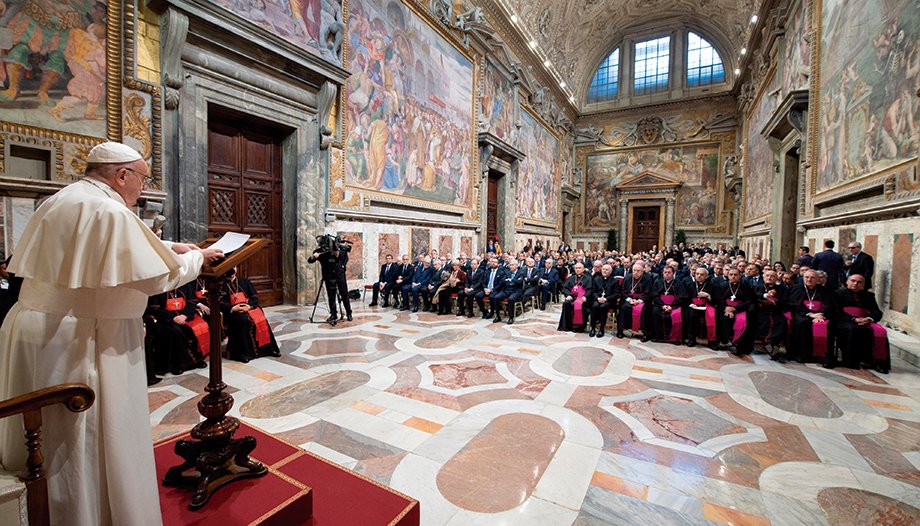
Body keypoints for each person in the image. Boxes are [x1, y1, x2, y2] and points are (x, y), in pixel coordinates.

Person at [0, 142, 223, 525]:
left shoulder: (64, 200)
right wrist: (196, 258)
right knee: (80, 440)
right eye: (142, 178)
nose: (142, 187)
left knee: (44, 435)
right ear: (122, 175)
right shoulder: (108, 209)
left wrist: (168, 245)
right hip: (82, 338)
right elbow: (157, 275)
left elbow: (100, 246)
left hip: (38, 328)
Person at [219, 267, 281, 362]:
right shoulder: (220, 285)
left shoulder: (245, 282)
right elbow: (218, 303)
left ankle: (268, 349)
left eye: (234, 267)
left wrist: (249, 306)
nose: (232, 269)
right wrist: (232, 308)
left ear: (237, 269)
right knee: (243, 320)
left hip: (248, 308)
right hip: (232, 311)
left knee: (260, 318)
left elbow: (254, 297)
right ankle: (242, 353)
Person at [147, 281, 210, 375]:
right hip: (166, 319)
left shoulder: (184, 284)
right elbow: (155, 307)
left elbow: (192, 301)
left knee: (200, 326)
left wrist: (184, 315)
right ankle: (178, 364)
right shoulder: (158, 286)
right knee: (175, 332)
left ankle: (196, 360)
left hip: (185, 316)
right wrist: (173, 318)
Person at [835, 274, 889, 373]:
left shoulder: (869, 296)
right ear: (847, 282)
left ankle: (878, 362)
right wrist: (853, 319)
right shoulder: (837, 294)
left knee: (880, 332)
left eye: (859, 282)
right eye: (853, 280)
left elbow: (877, 312)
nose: (855, 283)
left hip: (865, 320)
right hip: (846, 320)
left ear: (863, 285)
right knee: (852, 329)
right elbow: (835, 311)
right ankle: (851, 361)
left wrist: (869, 319)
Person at [788, 269, 835, 365]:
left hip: (820, 315)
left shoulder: (825, 290)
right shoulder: (796, 288)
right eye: (807, 277)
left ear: (818, 280)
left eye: (812, 277)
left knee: (827, 325)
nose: (809, 279)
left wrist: (821, 314)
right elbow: (794, 304)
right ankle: (802, 354)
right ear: (803, 278)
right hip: (801, 313)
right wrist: (809, 314)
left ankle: (824, 355)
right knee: (803, 322)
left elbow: (829, 304)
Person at [308, 235, 353, 323]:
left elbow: (345, 256)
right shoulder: (320, 251)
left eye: (319, 241)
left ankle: (349, 313)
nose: (318, 243)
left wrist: (339, 256)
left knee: (344, 294)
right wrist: (314, 256)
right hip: (328, 276)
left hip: (339, 275)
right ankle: (334, 314)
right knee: (331, 296)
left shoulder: (339, 248)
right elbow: (310, 260)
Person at [753, 269, 789, 361]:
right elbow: (755, 296)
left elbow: (785, 302)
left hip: (776, 311)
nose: (769, 278)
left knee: (781, 322)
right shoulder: (757, 286)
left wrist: (773, 303)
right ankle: (765, 345)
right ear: (763, 277)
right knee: (763, 321)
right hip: (761, 311)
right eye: (767, 276)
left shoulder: (782, 289)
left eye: (772, 276)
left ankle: (771, 344)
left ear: (776, 278)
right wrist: (766, 296)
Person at [684, 267, 722, 348]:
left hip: (707, 306)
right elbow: (686, 298)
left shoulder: (712, 286)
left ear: (706, 276)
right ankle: (692, 339)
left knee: (712, 316)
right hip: (694, 306)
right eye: (697, 274)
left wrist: (708, 295)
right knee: (691, 315)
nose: (699, 276)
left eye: (701, 274)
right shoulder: (690, 285)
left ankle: (712, 341)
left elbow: (718, 298)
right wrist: (691, 304)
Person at [721, 268, 755, 355]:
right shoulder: (722, 286)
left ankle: (737, 344)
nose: (733, 276)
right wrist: (726, 308)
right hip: (725, 309)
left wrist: (735, 308)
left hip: (740, 310)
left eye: (735, 275)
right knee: (725, 317)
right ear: (728, 276)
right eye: (731, 274)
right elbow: (718, 299)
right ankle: (726, 341)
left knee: (743, 321)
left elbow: (748, 301)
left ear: (740, 276)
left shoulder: (746, 287)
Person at [651, 265, 688, 344]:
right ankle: (658, 336)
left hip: (675, 306)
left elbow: (681, 297)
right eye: (665, 272)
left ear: (673, 273)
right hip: (660, 304)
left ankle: (675, 338)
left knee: (677, 314)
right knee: (655, 312)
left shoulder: (679, 283)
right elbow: (655, 295)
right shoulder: (658, 282)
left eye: (669, 272)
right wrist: (662, 305)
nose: (667, 274)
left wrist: (671, 306)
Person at [616, 262, 652, 340]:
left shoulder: (648, 279)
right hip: (629, 299)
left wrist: (639, 301)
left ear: (643, 271)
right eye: (634, 270)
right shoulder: (627, 277)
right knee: (624, 308)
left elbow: (648, 293)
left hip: (641, 301)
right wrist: (629, 300)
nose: (635, 273)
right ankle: (620, 330)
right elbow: (622, 291)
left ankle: (645, 333)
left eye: (638, 271)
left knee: (644, 310)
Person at [558, 262, 593, 332]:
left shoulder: (588, 278)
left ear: (583, 269)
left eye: (579, 268)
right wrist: (568, 295)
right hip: (572, 296)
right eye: (576, 268)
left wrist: (585, 297)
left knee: (578, 304)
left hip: (582, 297)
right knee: (566, 303)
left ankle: (577, 327)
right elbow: (565, 288)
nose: (577, 270)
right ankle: (566, 326)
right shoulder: (571, 277)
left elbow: (590, 289)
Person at [589, 264, 619, 338]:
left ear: (610, 271)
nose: (604, 271)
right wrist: (597, 298)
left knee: (603, 307)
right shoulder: (596, 279)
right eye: (603, 269)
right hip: (598, 299)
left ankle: (602, 329)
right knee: (594, 306)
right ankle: (592, 328)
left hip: (609, 301)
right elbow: (593, 291)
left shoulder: (615, 281)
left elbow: (616, 293)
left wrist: (606, 299)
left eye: (607, 269)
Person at [492, 259, 524, 324]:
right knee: (496, 297)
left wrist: (511, 280)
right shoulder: (507, 272)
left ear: (516, 266)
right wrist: (512, 281)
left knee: (511, 299)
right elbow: (503, 281)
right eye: (510, 265)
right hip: (507, 289)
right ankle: (498, 316)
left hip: (516, 291)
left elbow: (520, 282)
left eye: (512, 265)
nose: (511, 266)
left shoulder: (521, 273)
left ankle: (511, 317)